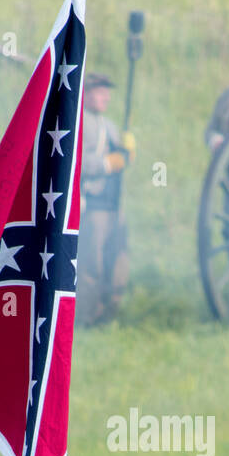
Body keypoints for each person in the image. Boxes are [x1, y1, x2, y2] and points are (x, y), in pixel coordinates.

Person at [78, 73, 134, 327]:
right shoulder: (79, 122)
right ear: (87, 94)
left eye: (107, 92)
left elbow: (121, 160)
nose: (106, 97)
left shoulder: (109, 125)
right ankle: (87, 317)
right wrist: (106, 164)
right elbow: (76, 161)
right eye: (100, 92)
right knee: (92, 263)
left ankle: (110, 312)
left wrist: (128, 152)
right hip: (91, 204)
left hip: (112, 205)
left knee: (118, 260)